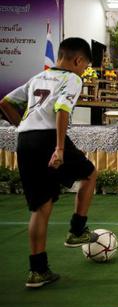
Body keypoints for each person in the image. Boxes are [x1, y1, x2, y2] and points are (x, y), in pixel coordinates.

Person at [0, 38, 98, 288]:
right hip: (49, 137)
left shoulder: (37, 78)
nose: (83, 70)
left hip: (25, 139)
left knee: (40, 208)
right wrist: (60, 147)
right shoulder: (72, 79)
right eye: (85, 66)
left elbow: (5, 103)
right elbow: (62, 109)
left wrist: (20, 125)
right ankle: (77, 230)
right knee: (89, 174)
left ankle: (38, 271)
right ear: (78, 60)